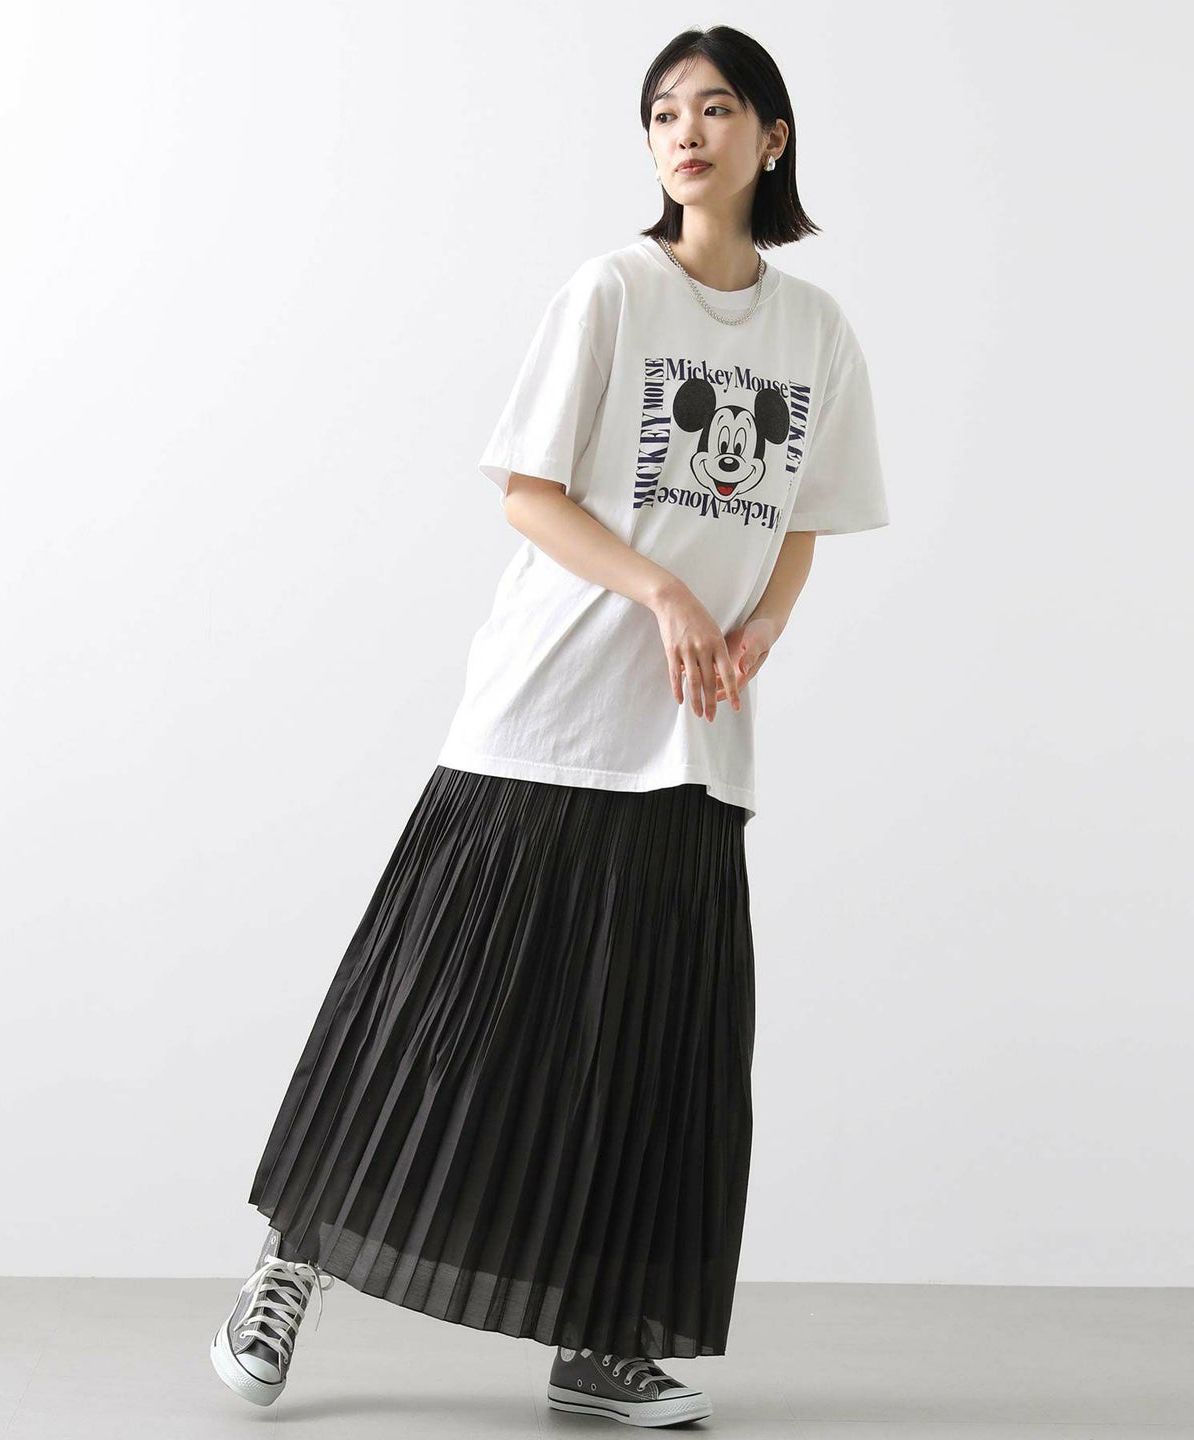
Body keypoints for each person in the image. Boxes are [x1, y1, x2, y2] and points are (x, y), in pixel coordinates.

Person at [210, 23, 889, 1430]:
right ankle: (288, 1265)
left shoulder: (815, 330)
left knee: (642, 1049)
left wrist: (759, 627)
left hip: (693, 735)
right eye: (663, 113)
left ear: (773, 138)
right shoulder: (613, 291)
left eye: (717, 108)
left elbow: (803, 520)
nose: (686, 132)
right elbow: (528, 490)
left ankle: (597, 1341)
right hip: (548, 715)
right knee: (433, 1017)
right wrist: (666, 593)